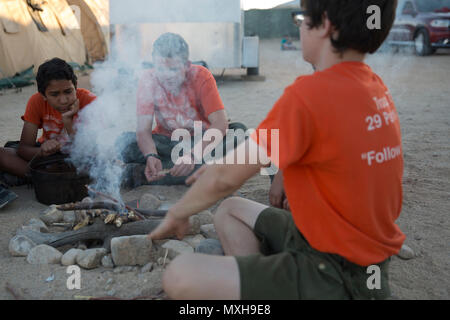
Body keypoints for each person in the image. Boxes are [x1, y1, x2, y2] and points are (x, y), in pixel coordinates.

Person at [147, 0, 405, 300]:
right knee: (230, 209)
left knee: (179, 276)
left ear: (325, 25)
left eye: (301, 19)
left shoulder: (309, 94)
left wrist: (179, 212)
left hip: (331, 270)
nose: (298, 28)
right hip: (345, 249)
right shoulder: (375, 87)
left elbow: (225, 179)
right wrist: (230, 164)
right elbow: (268, 148)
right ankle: (263, 284)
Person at [119, 33, 247, 187]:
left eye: (173, 69)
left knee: (240, 134)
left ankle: (145, 174)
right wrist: (151, 155)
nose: (167, 76)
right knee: (124, 142)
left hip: (203, 141)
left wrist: (193, 155)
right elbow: (143, 130)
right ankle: (198, 171)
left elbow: (220, 123)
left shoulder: (201, 76)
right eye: (160, 68)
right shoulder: (148, 79)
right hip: (167, 143)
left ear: (187, 65)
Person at [0, 58, 96, 187]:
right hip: (48, 157)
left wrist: (67, 121)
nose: (63, 100)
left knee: (98, 163)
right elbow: (24, 149)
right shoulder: (36, 101)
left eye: (68, 91)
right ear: (43, 95)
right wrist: (42, 151)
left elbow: (87, 151)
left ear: (75, 86)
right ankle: (51, 179)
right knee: (3, 154)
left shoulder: (89, 101)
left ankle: (41, 179)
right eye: (54, 94)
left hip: (78, 157)